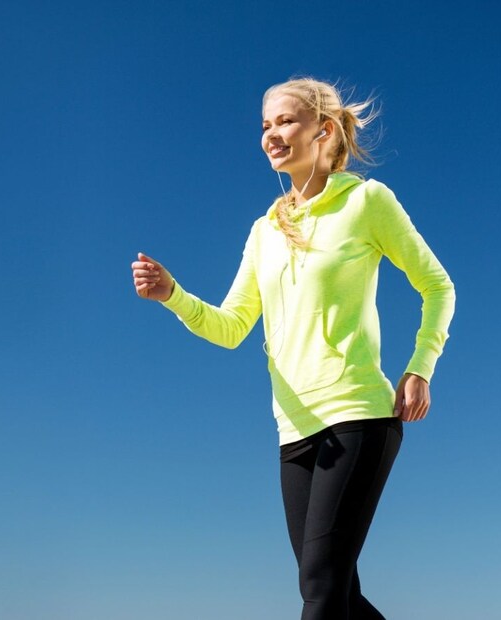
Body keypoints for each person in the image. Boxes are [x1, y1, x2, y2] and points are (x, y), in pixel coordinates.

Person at [130, 76, 456, 620]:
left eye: (285, 121)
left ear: (323, 130)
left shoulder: (367, 202)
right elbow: (232, 327)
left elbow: (438, 286)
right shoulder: (265, 231)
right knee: (337, 594)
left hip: (357, 416)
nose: (271, 135)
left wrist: (420, 367)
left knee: (319, 587)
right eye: (265, 125)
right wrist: (173, 295)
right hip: (294, 429)